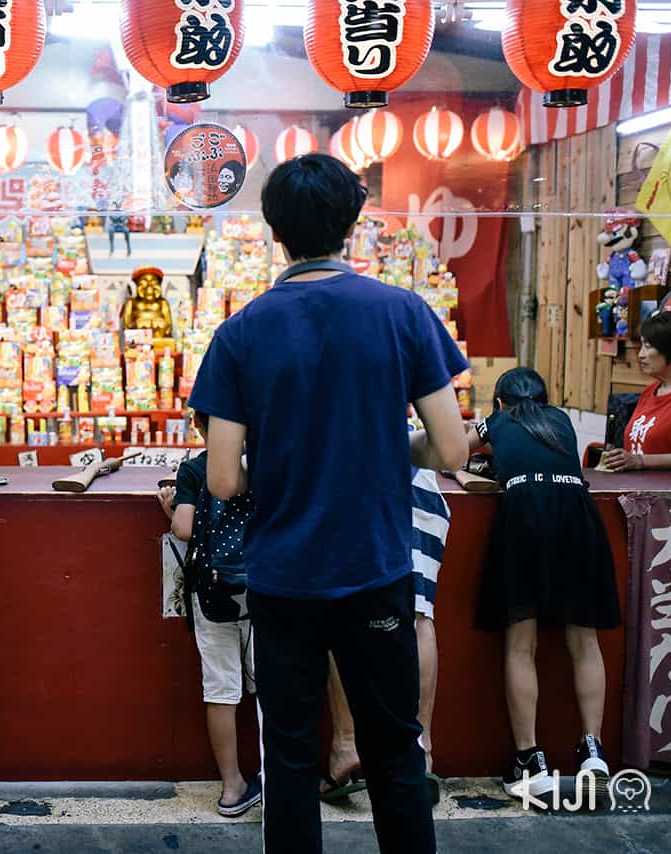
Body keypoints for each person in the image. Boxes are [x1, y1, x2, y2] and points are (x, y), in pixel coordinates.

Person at [187, 153, 468, 854]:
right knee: (395, 751)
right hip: (376, 568)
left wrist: (280, 467)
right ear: (353, 219)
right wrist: (384, 448)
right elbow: (453, 450)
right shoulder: (403, 311)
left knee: (288, 755)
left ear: (272, 228)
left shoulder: (241, 331)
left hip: (282, 577)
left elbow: (222, 479)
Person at [471, 367, 620, 797]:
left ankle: (528, 760)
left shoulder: (496, 422)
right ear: (544, 398)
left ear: (500, 402)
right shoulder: (561, 421)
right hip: (578, 515)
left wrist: (475, 467)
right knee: (584, 641)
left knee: (522, 644)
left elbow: (451, 452)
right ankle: (593, 750)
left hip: (525, 517)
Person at [322, 465, 451, 805]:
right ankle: (420, 754)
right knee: (419, 611)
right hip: (418, 478)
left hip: (353, 477)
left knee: (339, 609)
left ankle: (347, 745)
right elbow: (451, 448)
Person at [156, 411, 260, 817]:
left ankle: (232, 787)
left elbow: (183, 527)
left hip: (212, 594)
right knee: (271, 686)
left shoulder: (196, 469)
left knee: (220, 690)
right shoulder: (263, 465)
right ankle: (279, 776)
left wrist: (171, 510)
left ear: (198, 426)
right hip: (263, 591)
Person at [602, 311, 671, 472]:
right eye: (642, 345)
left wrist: (641, 461)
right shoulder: (650, 391)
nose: (641, 355)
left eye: (648, 346)